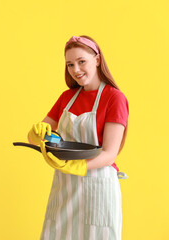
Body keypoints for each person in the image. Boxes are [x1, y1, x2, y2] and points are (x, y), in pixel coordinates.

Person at [27, 35, 129, 240]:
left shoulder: (114, 98)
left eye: (81, 61)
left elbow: (109, 154)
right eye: (70, 64)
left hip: (98, 186)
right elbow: (34, 139)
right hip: (65, 186)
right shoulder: (67, 97)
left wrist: (79, 166)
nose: (76, 70)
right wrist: (36, 132)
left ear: (97, 60)